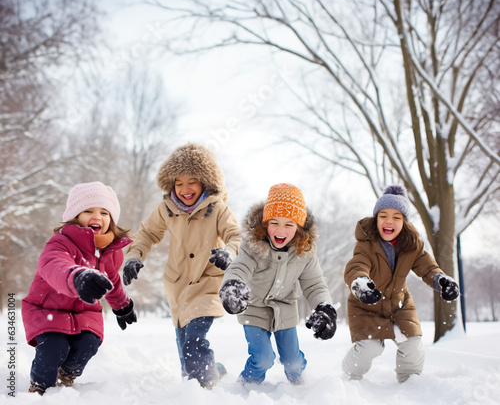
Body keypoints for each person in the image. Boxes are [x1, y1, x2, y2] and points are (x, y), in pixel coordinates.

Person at [123, 142, 240, 389]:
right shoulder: (167, 209)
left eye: (192, 181)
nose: (185, 189)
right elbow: (146, 234)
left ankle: (205, 390)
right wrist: (134, 257)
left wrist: (228, 252)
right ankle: (211, 373)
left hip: (207, 284)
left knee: (194, 344)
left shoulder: (218, 209)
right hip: (177, 287)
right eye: (179, 183)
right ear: (171, 184)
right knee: (188, 362)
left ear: (205, 181)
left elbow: (235, 236)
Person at [22, 181, 137, 395]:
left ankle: (67, 374)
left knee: (89, 344)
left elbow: (111, 280)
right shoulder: (61, 242)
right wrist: (77, 278)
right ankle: (39, 388)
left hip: (85, 312)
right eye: (89, 210)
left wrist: (122, 306)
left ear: (111, 219)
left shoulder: (111, 252)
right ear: (75, 215)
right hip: (47, 310)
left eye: (104, 212)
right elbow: (54, 266)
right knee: (53, 348)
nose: (97, 217)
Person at [219, 183, 337, 385]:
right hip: (254, 309)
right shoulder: (252, 246)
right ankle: (245, 387)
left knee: (293, 363)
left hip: (285, 310)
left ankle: (302, 388)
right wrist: (233, 286)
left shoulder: (304, 252)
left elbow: (315, 284)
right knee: (263, 359)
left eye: (289, 224)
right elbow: (239, 267)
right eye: (274, 222)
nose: (281, 230)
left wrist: (324, 307)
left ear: (299, 228)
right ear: (265, 224)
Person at [342, 184, 460, 383]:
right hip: (367, 305)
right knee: (370, 348)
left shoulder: (412, 246)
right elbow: (357, 266)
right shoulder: (366, 244)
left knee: (412, 344)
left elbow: (427, 267)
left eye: (396, 217)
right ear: (376, 219)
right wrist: (360, 283)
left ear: (404, 222)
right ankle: (348, 377)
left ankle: (409, 382)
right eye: (383, 216)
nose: (389, 221)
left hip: (399, 304)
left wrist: (441, 280)